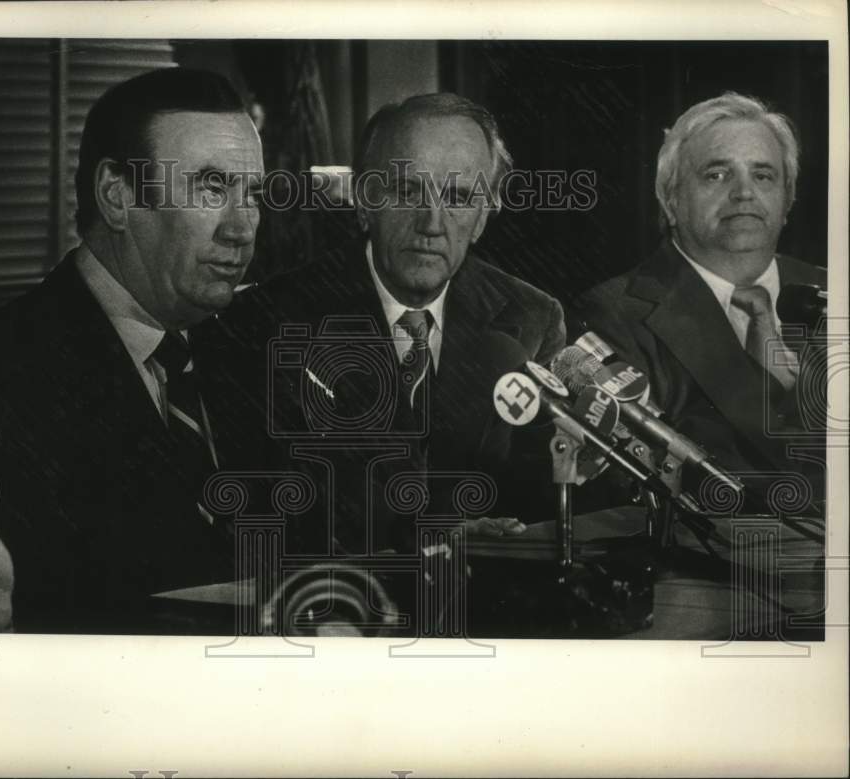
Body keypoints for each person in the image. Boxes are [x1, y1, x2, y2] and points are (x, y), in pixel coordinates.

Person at [0, 68, 265, 633]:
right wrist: (3, 625)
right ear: (117, 196)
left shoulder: (248, 350)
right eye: (210, 188)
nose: (242, 228)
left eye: (251, 193)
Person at [225, 93, 567, 556]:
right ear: (365, 202)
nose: (432, 223)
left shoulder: (531, 317)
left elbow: (533, 496)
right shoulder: (269, 321)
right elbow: (273, 512)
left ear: (483, 217)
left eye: (460, 197)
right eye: (408, 191)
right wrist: (425, 541)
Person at [573, 92, 826, 509]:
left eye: (763, 176)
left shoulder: (834, 292)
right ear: (670, 201)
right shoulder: (614, 314)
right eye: (716, 175)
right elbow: (638, 488)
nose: (744, 193)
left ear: (788, 201)